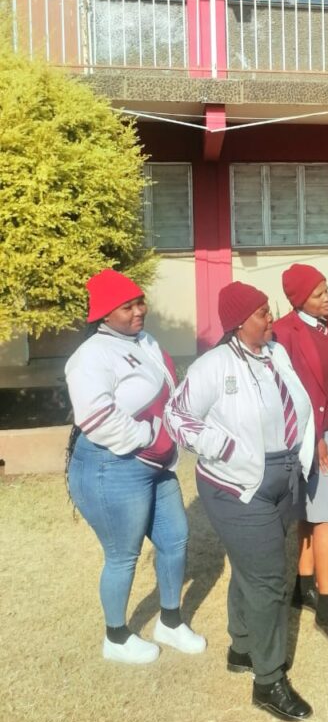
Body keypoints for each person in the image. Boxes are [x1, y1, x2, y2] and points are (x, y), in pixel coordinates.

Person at [165, 282, 315, 721]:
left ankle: (243, 647)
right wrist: (223, 446)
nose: (271, 319)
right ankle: (268, 681)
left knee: (251, 568)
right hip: (236, 484)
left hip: (282, 476)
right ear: (237, 322)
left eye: (269, 310)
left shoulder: (276, 354)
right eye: (262, 313)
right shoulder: (213, 366)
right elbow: (176, 416)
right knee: (269, 580)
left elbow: (295, 404)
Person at [65, 269, 206, 664]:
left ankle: (170, 622)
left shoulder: (146, 341)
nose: (138, 311)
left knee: (175, 539)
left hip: (157, 466)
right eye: (126, 307)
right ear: (104, 314)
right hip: (113, 467)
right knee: (122, 555)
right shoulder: (91, 355)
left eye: (139, 302)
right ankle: (116, 637)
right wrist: (146, 436)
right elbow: (96, 416)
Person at [272, 264, 328, 644]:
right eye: (318, 294)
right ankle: (326, 607)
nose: (327, 299)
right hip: (309, 437)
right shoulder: (283, 333)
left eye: (327, 290)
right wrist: (314, 436)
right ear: (298, 300)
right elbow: (286, 392)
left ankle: (303, 586)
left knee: (313, 515)